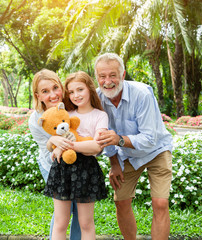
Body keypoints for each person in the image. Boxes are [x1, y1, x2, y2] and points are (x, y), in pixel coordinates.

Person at [94, 53, 173, 240]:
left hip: (157, 150)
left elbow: (149, 139)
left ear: (122, 75)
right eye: (102, 76)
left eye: (113, 75)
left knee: (160, 203)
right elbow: (105, 136)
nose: (107, 81)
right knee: (121, 202)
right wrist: (114, 163)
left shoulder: (142, 94)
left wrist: (118, 139)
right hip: (126, 155)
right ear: (96, 78)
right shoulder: (97, 98)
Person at [44, 71, 108, 240]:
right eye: (71, 92)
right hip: (62, 169)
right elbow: (50, 145)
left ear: (90, 89)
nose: (76, 95)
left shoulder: (100, 116)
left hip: (86, 170)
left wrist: (67, 145)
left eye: (80, 90)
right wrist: (54, 141)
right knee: (60, 223)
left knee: (86, 223)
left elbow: (95, 146)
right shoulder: (67, 114)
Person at [28, 69, 81, 240]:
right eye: (45, 91)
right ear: (38, 95)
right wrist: (54, 143)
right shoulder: (36, 119)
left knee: (81, 211)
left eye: (55, 88)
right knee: (63, 213)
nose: (52, 95)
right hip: (52, 165)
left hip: (79, 163)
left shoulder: (71, 107)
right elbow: (48, 149)